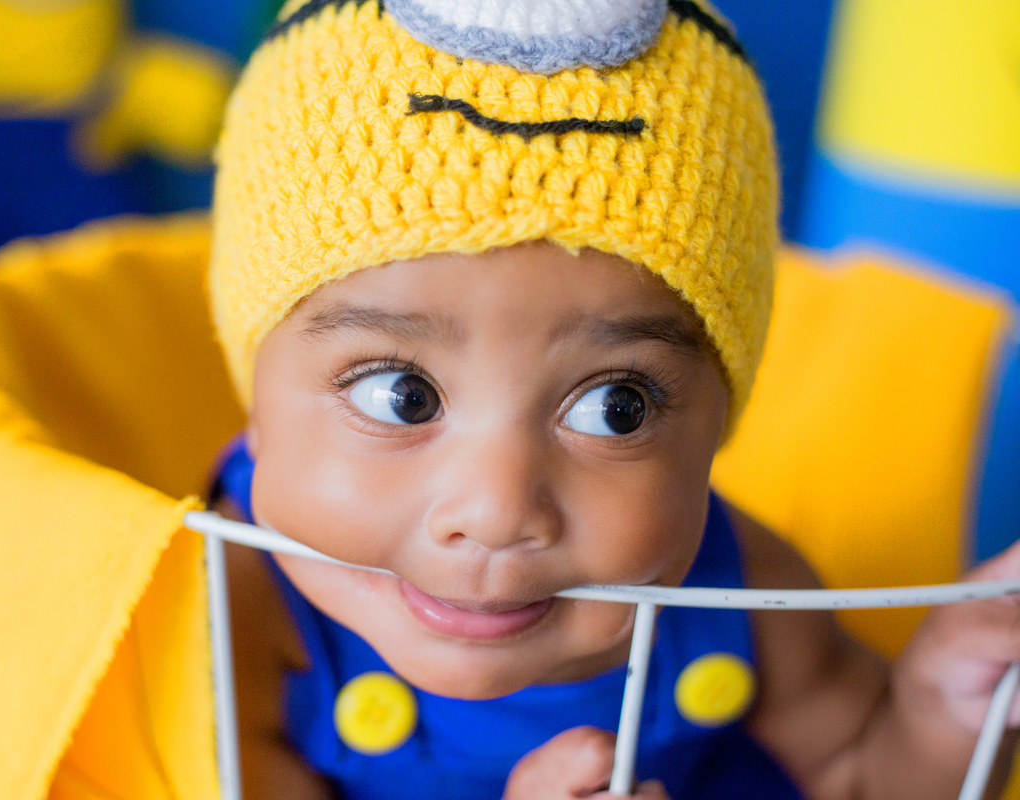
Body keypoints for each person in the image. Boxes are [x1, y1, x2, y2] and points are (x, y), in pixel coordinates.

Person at [201, 1, 1020, 798]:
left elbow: (859, 774)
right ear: (256, 409)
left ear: (714, 426)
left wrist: (944, 708)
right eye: (402, 397)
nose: (496, 510)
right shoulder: (234, 609)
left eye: (615, 407)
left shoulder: (740, 588)